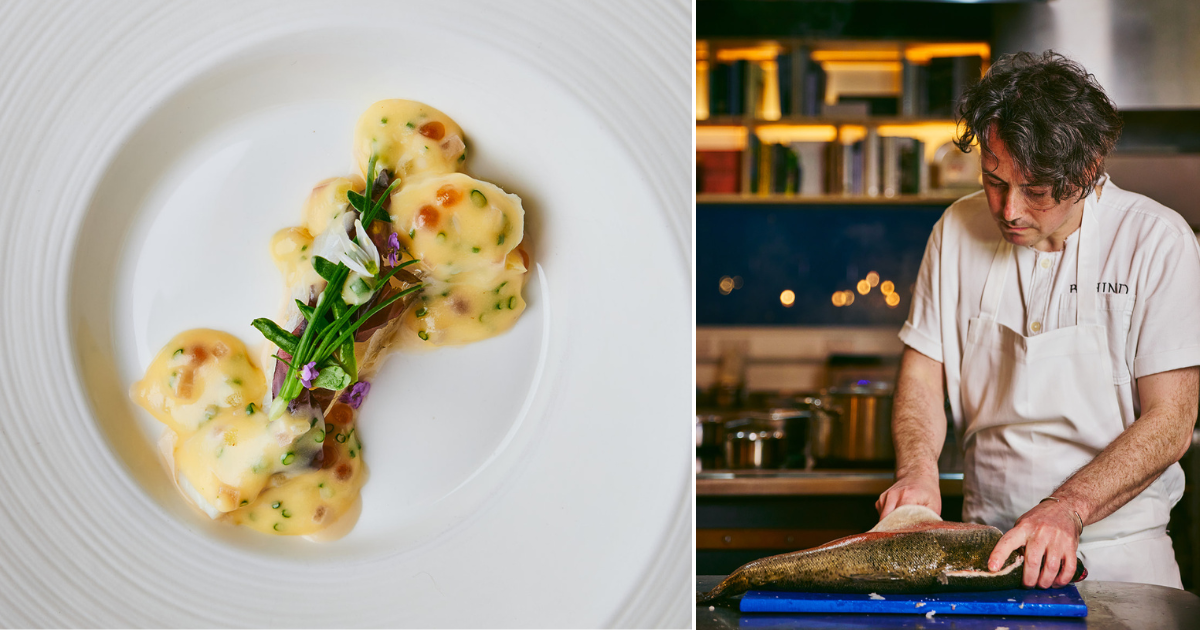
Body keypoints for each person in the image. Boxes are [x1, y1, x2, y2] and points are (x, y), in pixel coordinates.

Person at [876, 51, 1200, 590]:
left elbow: (1171, 420)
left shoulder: (1157, 241)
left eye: (1037, 191)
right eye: (994, 180)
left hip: (1120, 556)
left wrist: (1067, 507)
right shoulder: (955, 230)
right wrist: (916, 471)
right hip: (981, 552)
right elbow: (923, 372)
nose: (1009, 210)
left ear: (1089, 168)